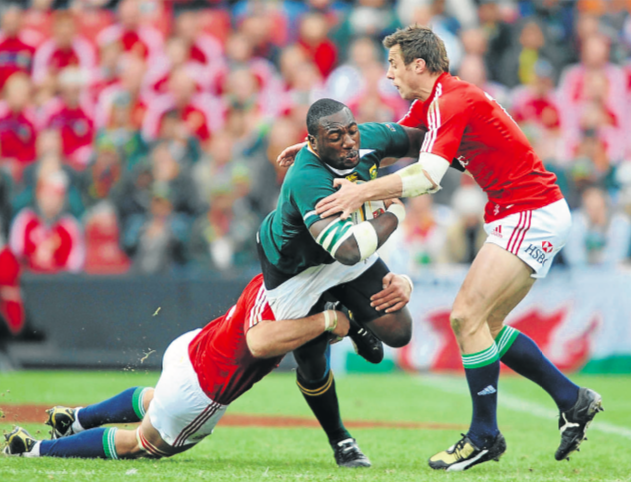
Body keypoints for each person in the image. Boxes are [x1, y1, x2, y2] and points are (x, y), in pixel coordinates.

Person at [307, 26, 604, 471]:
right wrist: (318, 148)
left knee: (465, 316)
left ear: (418, 65)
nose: (389, 75)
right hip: (524, 211)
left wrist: (359, 194)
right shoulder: (436, 100)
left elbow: (428, 177)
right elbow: (388, 140)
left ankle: (485, 435)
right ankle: (572, 399)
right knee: (488, 325)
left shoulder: (451, 100)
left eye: (393, 64)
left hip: (529, 211)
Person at [3, 274, 350, 460]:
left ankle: (76, 419)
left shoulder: (272, 271)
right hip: (202, 389)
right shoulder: (301, 303)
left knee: (157, 399)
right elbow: (269, 340)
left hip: (191, 346)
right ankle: (33, 449)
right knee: (142, 444)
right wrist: (331, 319)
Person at [258, 98, 421, 467]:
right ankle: (341, 440)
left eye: (351, 131)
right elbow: (348, 250)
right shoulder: (306, 178)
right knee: (313, 363)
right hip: (295, 270)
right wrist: (395, 209)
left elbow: (427, 142)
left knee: (397, 330)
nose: (349, 142)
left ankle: (342, 311)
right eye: (335, 137)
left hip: (343, 246)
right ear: (313, 143)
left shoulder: (366, 139)